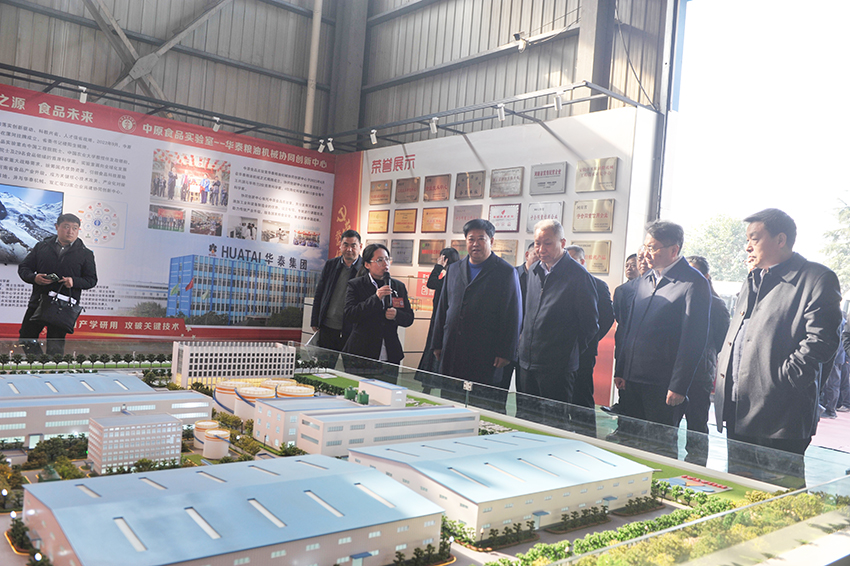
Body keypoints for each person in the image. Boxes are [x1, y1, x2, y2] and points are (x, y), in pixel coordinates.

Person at [715, 209, 842, 484]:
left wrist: (783, 380)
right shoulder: (754, 278)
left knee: (780, 495)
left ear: (781, 239)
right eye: (747, 240)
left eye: (754, 238)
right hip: (738, 406)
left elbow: (822, 341)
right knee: (739, 489)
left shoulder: (816, 278)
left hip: (780, 412)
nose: (747, 247)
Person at [614, 220, 711, 458]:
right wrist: (621, 369)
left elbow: (693, 340)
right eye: (645, 246)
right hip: (633, 380)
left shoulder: (693, 283)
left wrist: (678, 386)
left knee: (658, 448)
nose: (646, 253)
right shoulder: (646, 279)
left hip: (663, 385)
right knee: (630, 443)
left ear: (674, 250)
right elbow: (628, 328)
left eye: (653, 247)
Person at [433, 219, 522, 413]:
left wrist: (506, 352)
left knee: (482, 406)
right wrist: (437, 342)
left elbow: (513, 315)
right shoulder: (454, 269)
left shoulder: (506, 272)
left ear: (492, 241)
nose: (475, 244)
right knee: (450, 403)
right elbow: (443, 308)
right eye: (471, 239)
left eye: (481, 238)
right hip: (453, 349)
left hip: (486, 353)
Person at [515, 220, 599, 425]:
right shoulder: (534, 270)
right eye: (537, 243)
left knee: (554, 423)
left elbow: (590, 325)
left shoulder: (579, 276)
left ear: (562, 242)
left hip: (557, 368)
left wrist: (567, 352)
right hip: (527, 362)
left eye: (548, 243)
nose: (541, 249)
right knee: (525, 420)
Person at [18, 213, 98, 356]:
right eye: (66, 227)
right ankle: (37, 363)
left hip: (63, 306)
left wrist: (73, 281)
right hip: (39, 301)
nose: (70, 231)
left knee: (55, 346)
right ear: (57, 227)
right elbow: (24, 268)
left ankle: (51, 369)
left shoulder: (85, 253)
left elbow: (91, 280)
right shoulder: (42, 246)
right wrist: (34, 278)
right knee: (26, 337)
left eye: (75, 228)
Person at [680, 255, 730, 465]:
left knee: (697, 423)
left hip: (700, 373)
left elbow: (723, 341)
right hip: (675, 372)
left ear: (706, 276)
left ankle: (696, 466)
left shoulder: (716, 305)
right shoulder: (679, 297)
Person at [342, 244, 414, 380]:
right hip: (362, 354)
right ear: (367, 264)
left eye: (387, 259)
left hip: (390, 354)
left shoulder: (398, 286)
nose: (385, 264)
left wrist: (396, 315)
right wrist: (376, 298)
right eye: (380, 260)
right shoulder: (356, 285)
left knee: (387, 391)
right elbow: (350, 314)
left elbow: (409, 318)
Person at [566, 245, 615, 436]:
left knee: (581, 396)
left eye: (573, 260)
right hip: (560, 352)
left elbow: (606, 318)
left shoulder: (597, 284)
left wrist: (587, 340)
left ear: (582, 261)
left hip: (583, 352)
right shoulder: (560, 282)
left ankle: (586, 438)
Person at [310, 230, 363, 365]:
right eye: (346, 245)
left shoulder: (365, 269)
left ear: (360, 246)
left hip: (352, 330)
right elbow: (319, 293)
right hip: (328, 327)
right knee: (323, 368)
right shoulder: (331, 265)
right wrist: (315, 320)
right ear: (340, 246)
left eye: (353, 245)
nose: (349, 249)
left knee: (351, 368)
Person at [416, 248, 460, 391]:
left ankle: (428, 387)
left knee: (434, 351)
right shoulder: (453, 277)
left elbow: (431, 283)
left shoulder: (449, 278)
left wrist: (438, 267)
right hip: (443, 321)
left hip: (440, 322)